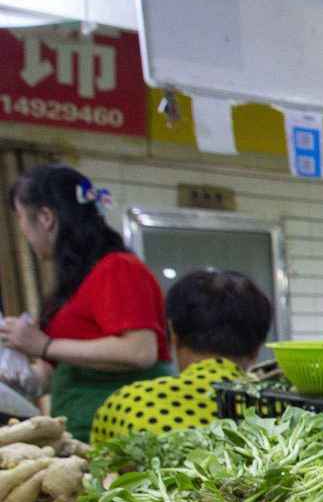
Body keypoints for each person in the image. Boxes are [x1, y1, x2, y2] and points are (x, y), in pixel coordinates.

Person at [1, 165, 171, 435]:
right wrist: (18, 374)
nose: (22, 230)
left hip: (129, 435)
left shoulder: (118, 268)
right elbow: (56, 372)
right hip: (82, 433)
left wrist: (44, 345)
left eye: (20, 217)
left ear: (45, 217)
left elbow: (140, 350)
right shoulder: (74, 284)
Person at [91, 270, 273, 443]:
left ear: (173, 334)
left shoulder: (127, 404)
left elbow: (99, 470)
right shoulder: (280, 410)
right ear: (257, 347)